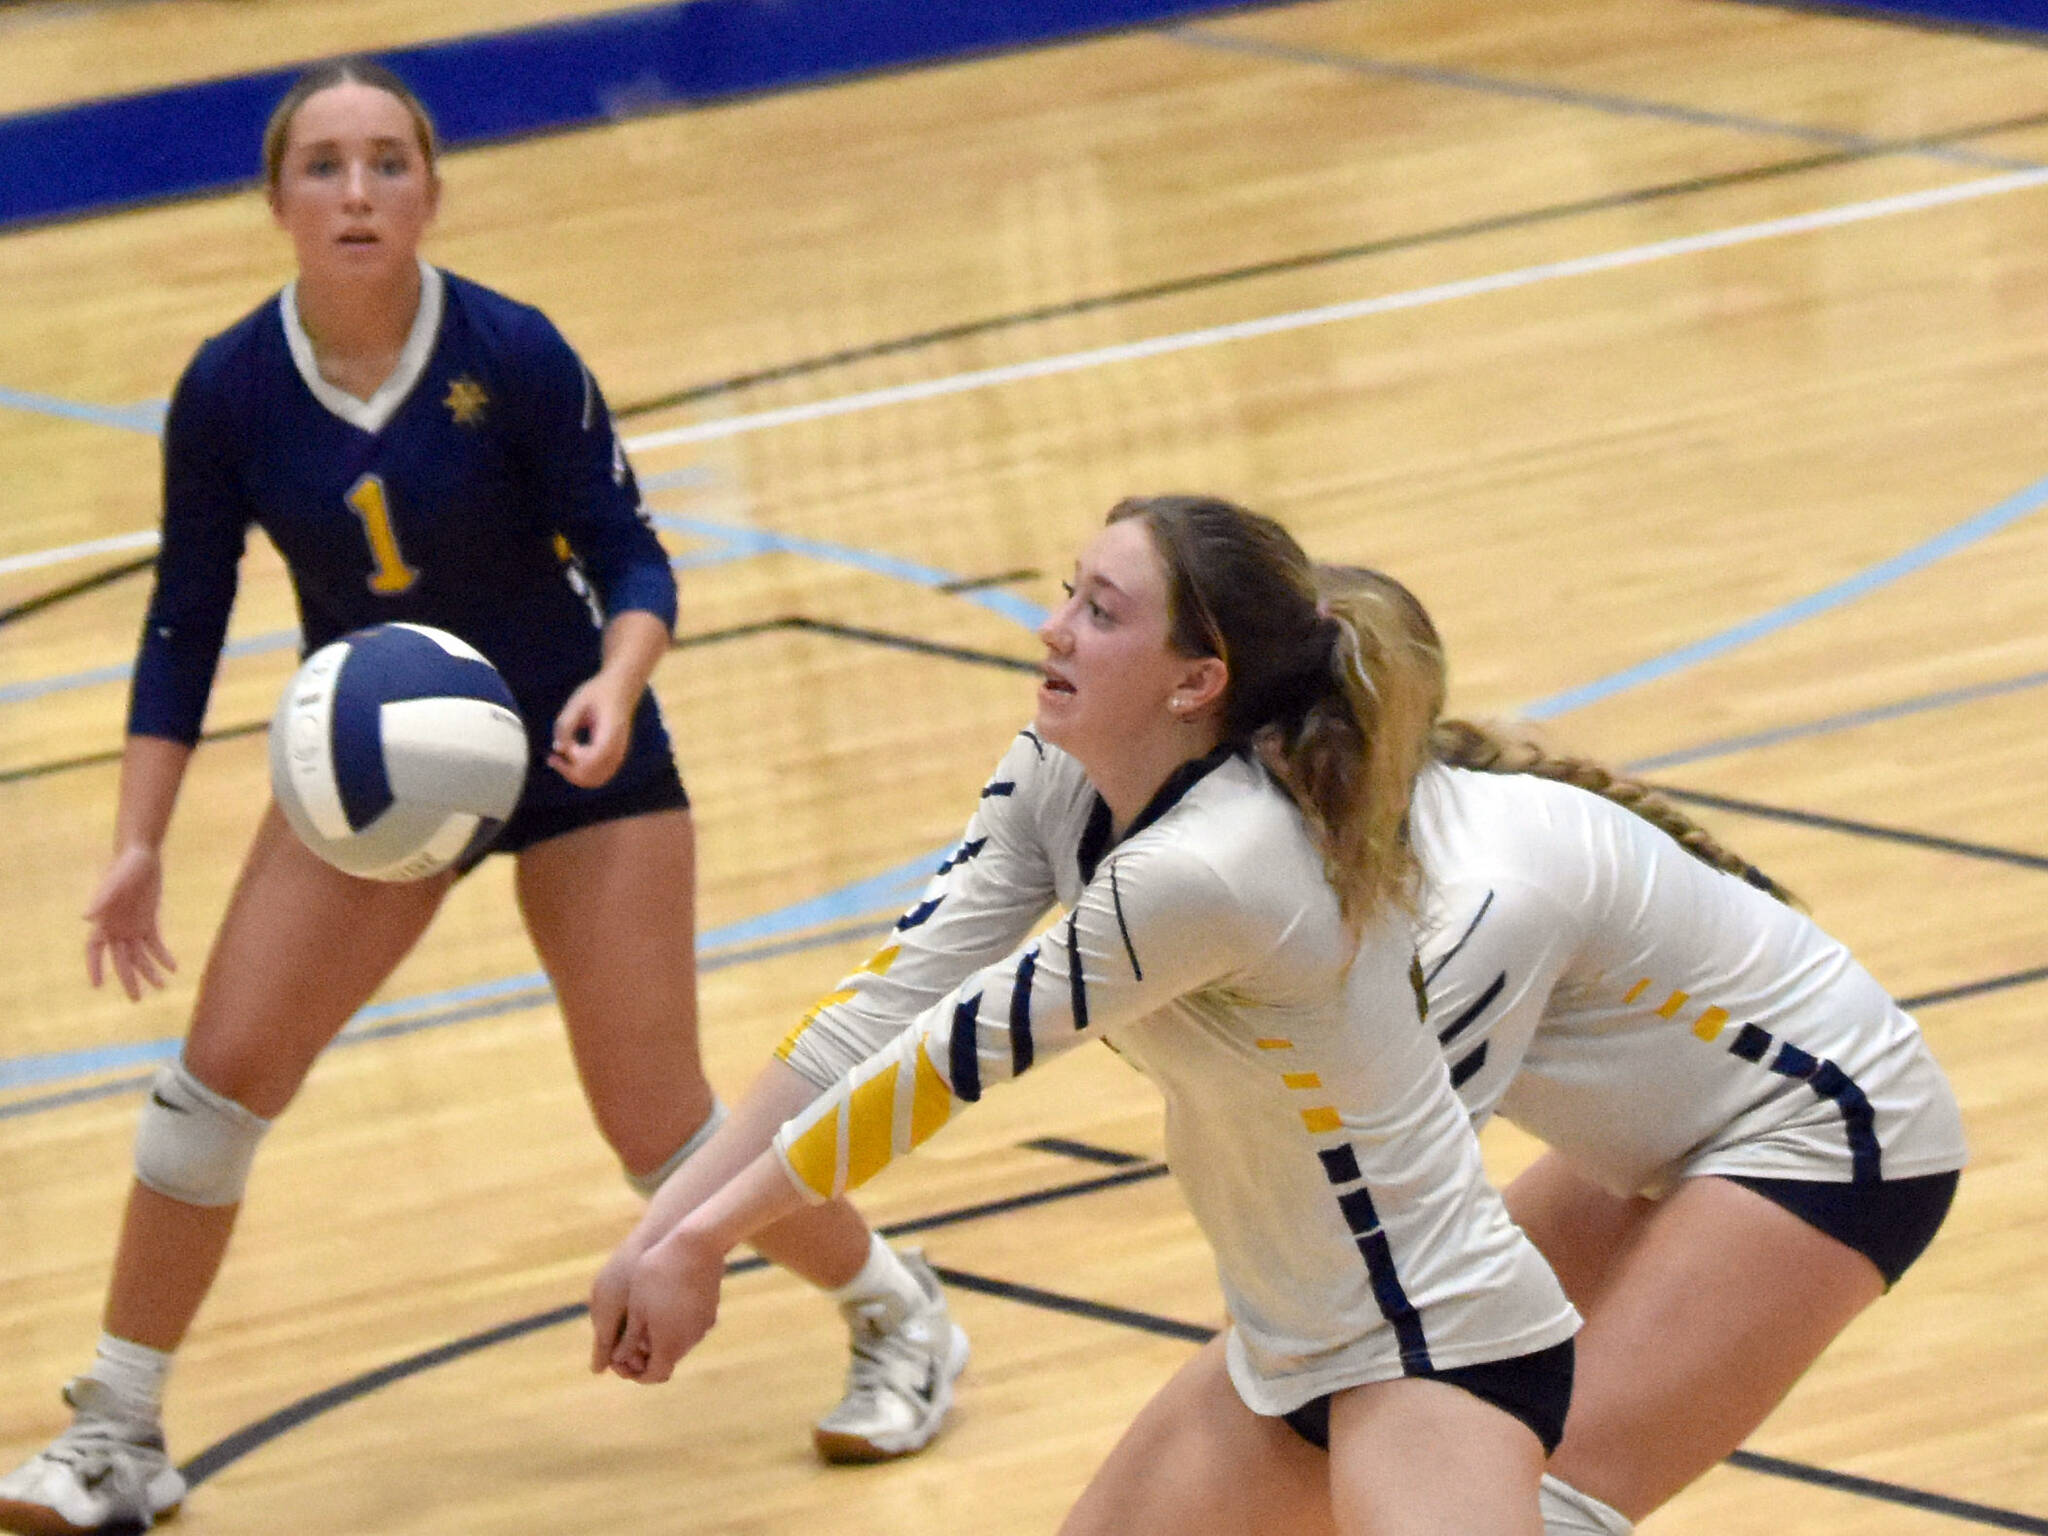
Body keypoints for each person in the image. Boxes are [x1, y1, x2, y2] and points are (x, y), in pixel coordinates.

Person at [0, 61, 959, 1536]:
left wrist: (621, 680)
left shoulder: (509, 352)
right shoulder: (232, 388)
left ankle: (903, 1316)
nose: (359, 192)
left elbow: (632, 555)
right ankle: (119, 1429)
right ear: (278, 203)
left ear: (432, 190)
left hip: (581, 751)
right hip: (379, 776)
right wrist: (135, 842)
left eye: (389, 162)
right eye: (325, 167)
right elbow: (183, 622)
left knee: (657, 1122)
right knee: (205, 1103)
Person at [590, 495, 1582, 1535]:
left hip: (1432, 1347)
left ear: (1198, 682)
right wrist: (664, 1233)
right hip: (1286, 1350)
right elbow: (883, 1008)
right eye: (1069, 592)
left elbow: (941, 1063)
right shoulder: (1061, 773)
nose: (1052, 626)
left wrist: (700, 1240)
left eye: (1101, 613)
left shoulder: (1214, 866)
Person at [1321, 568, 1968, 1536]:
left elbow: (1379, 1204)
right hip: (1674, 1129)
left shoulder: (1473, 897)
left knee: (1518, 1502)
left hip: (1825, 1134)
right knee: (1335, 1422)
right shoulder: (1319, 851)